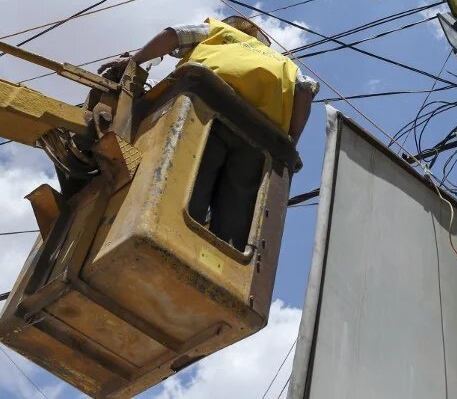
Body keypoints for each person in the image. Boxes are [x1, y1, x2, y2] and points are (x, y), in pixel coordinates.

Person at [100, 15, 317, 250]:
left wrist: (135, 60)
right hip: (259, 136)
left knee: (189, 185)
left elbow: (174, 34)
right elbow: (305, 90)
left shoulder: (219, 32)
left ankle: (173, 242)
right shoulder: (286, 64)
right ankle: (220, 256)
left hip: (205, 110)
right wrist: (290, 141)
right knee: (237, 208)